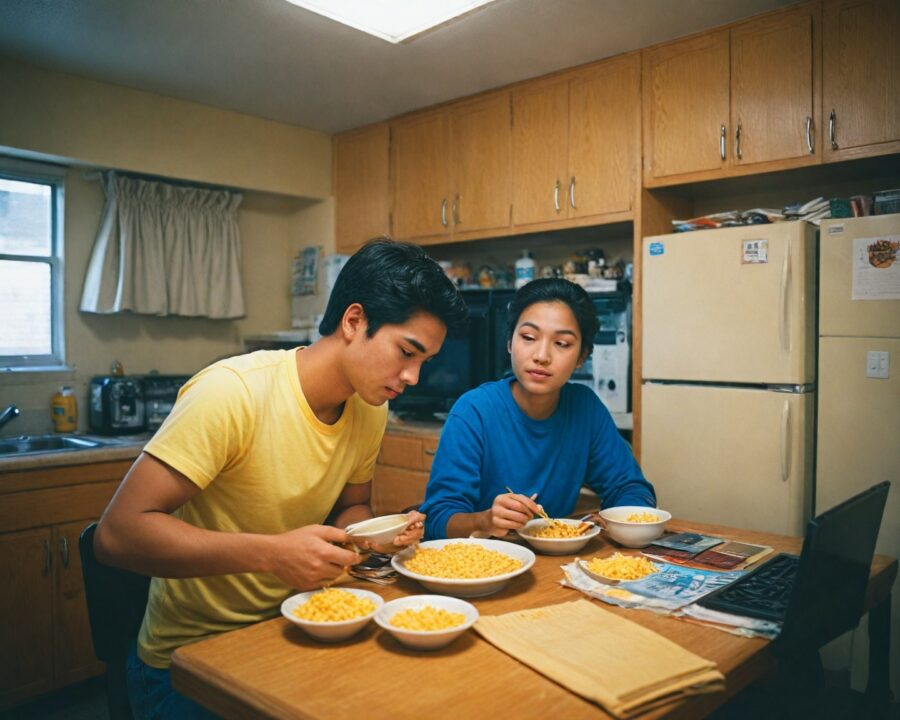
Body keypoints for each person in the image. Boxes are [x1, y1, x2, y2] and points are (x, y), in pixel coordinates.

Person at [94, 238, 468, 719]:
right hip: (189, 661)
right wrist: (274, 554)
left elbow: (352, 507)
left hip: (297, 628)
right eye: (406, 352)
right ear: (354, 321)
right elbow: (117, 535)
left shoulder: (369, 408)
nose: (413, 376)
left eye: (424, 362)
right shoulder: (232, 393)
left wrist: (374, 536)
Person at [420, 278, 655, 540]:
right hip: (481, 558)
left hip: (557, 560)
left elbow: (630, 488)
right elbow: (437, 519)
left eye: (562, 343)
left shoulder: (585, 408)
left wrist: (617, 518)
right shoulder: (474, 412)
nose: (542, 356)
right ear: (510, 342)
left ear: (581, 356)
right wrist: (485, 521)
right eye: (529, 337)